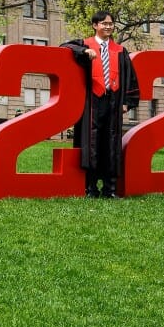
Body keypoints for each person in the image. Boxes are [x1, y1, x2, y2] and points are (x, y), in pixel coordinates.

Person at [62, 11, 140, 198]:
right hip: (91, 102)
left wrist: (126, 102)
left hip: (113, 101)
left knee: (111, 143)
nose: (108, 27)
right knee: (91, 143)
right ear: (95, 25)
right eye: (104, 24)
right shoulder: (85, 44)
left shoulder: (120, 51)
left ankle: (110, 189)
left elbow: (130, 77)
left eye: (111, 24)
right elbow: (64, 46)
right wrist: (84, 52)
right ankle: (90, 188)